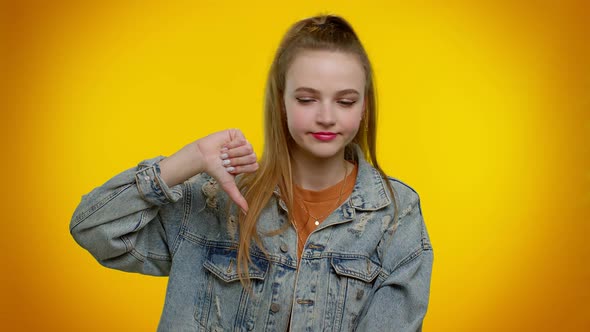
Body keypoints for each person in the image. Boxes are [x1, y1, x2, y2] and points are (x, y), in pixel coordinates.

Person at [70, 14, 434, 331]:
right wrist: (190, 159)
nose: (326, 116)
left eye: (345, 100)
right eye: (307, 99)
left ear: (364, 107)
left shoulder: (396, 214)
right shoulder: (214, 199)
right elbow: (94, 228)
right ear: (281, 102)